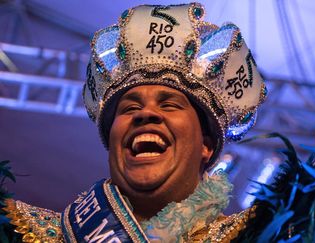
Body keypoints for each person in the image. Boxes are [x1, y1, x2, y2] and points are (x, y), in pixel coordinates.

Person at [2, 2, 266, 242]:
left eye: (169, 104)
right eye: (130, 107)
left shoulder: (265, 235)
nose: (145, 114)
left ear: (205, 146)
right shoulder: (19, 231)